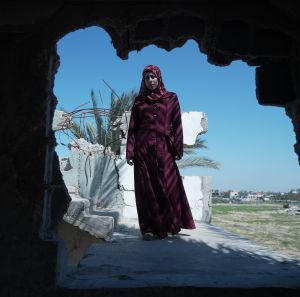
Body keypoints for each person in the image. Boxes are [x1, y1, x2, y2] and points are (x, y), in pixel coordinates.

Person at [126, 65, 196, 240]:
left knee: (168, 186)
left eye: (153, 77)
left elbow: (176, 125)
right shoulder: (139, 101)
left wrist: (177, 148)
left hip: (163, 148)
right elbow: (133, 128)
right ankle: (148, 228)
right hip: (142, 148)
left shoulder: (171, 98)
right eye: (147, 78)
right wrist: (130, 151)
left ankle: (169, 224)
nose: (150, 80)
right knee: (145, 188)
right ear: (144, 80)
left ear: (159, 78)